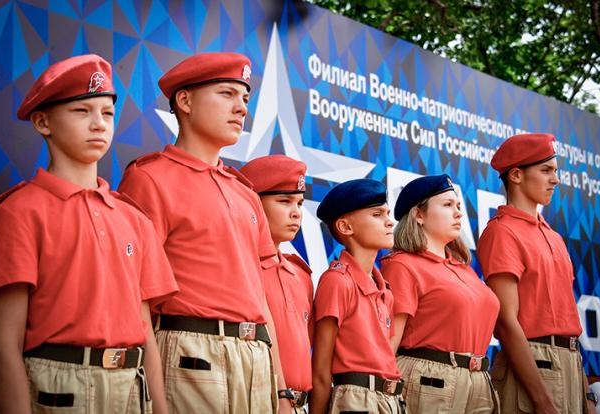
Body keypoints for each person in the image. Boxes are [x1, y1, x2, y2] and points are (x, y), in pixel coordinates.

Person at [0, 54, 178, 414]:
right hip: (59, 388)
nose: (99, 124)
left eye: (107, 113)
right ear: (43, 122)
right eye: (81, 111)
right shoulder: (19, 211)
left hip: (132, 386)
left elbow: (145, 330)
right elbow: (3, 343)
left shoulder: (134, 218)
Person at [118, 52, 291, 413]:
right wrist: (155, 400)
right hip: (191, 352)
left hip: (255, 356)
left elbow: (260, 299)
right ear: (185, 101)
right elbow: (134, 297)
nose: (241, 108)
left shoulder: (245, 192)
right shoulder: (149, 177)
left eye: (245, 98)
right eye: (227, 94)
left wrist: (281, 390)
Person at [477, 133, 596, 414]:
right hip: (534, 364)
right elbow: (506, 322)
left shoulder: (554, 236)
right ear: (516, 175)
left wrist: (587, 394)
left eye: (555, 171)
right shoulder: (502, 231)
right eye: (545, 170)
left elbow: (568, 327)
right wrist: (541, 400)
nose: (555, 179)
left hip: (571, 364)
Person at [380, 174, 500, 413]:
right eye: (447, 205)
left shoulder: (463, 269)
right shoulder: (402, 265)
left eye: (458, 206)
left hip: (479, 381)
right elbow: (389, 343)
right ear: (419, 214)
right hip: (431, 380)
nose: (458, 213)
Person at [310, 179, 405, 414]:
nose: (389, 221)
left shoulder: (385, 290)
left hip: (390, 400)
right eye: (377, 214)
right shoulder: (337, 281)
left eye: (387, 213)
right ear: (345, 226)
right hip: (355, 400)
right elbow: (321, 371)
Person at [239, 154, 314, 413]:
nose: (296, 212)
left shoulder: (301, 275)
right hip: (255, 399)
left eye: (300, 203)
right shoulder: (243, 268)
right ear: (254, 204)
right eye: (284, 201)